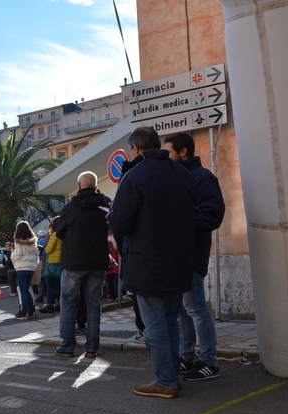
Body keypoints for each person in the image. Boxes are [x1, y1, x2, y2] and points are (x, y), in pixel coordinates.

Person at [107, 127, 198, 399]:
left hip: (148, 262)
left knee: (155, 326)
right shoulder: (183, 173)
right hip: (179, 260)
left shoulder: (135, 176)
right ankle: (170, 376)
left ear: (135, 148)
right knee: (170, 322)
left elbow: (120, 220)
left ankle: (165, 380)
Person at [165, 132, 226, 381]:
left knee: (196, 308)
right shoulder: (176, 177)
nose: (165, 156)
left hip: (191, 253)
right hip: (176, 253)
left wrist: (180, 230)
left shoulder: (202, 177)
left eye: (168, 151)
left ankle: (209, 362)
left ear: (183, 152)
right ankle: (187, 356)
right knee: (182, 310)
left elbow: (212, 215)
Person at [54, 171, 111, 358]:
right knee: (94, 305)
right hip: (97, 263)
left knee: (69, 303)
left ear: (78, 187)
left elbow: (59, 231)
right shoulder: (104, 205)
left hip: (73, 263)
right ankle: (92, 348)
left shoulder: (70, 208)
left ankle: (67, 346)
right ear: (95, 187)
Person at [11, 221, 39, 319]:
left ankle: (25, 311)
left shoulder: (18, 242)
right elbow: (36, 256)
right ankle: (32, 311)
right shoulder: (34, 242)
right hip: (31, 268)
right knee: (27, 289)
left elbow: (18, 256)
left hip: (21, 268)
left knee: (23, 290)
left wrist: (12, 254)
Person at [40, 218, 62, 313]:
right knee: (60, 285)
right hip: (62, 262)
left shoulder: (54, 235)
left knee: (50, 285)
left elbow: (48, 250)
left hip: (53, 262)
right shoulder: (64, 235)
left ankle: (50, 304)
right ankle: (60, 304)